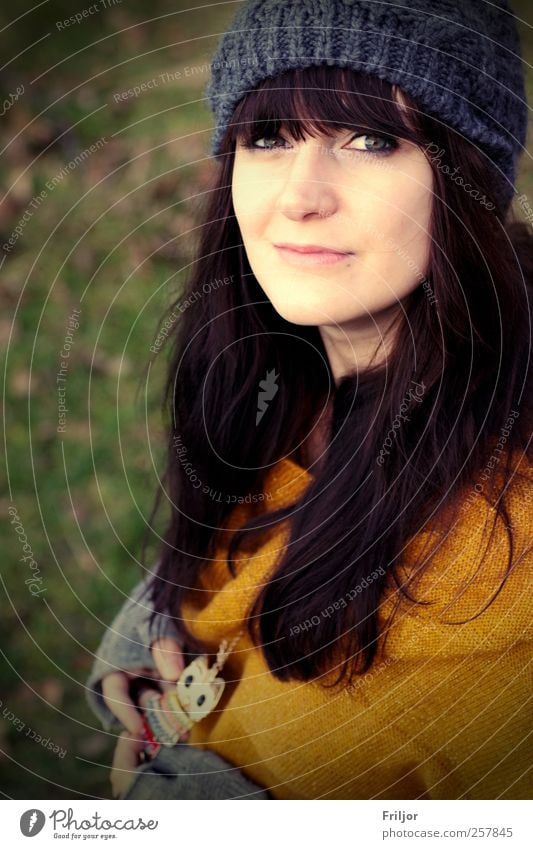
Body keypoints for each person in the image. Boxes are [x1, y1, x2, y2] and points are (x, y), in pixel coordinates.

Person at [86, 0, 533, 800]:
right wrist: (150, 639)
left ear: (468, 178)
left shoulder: (501, 572)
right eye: (268, 137)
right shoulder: (275, 389)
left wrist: (160, 799)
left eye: (370, 139)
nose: (300, 196)